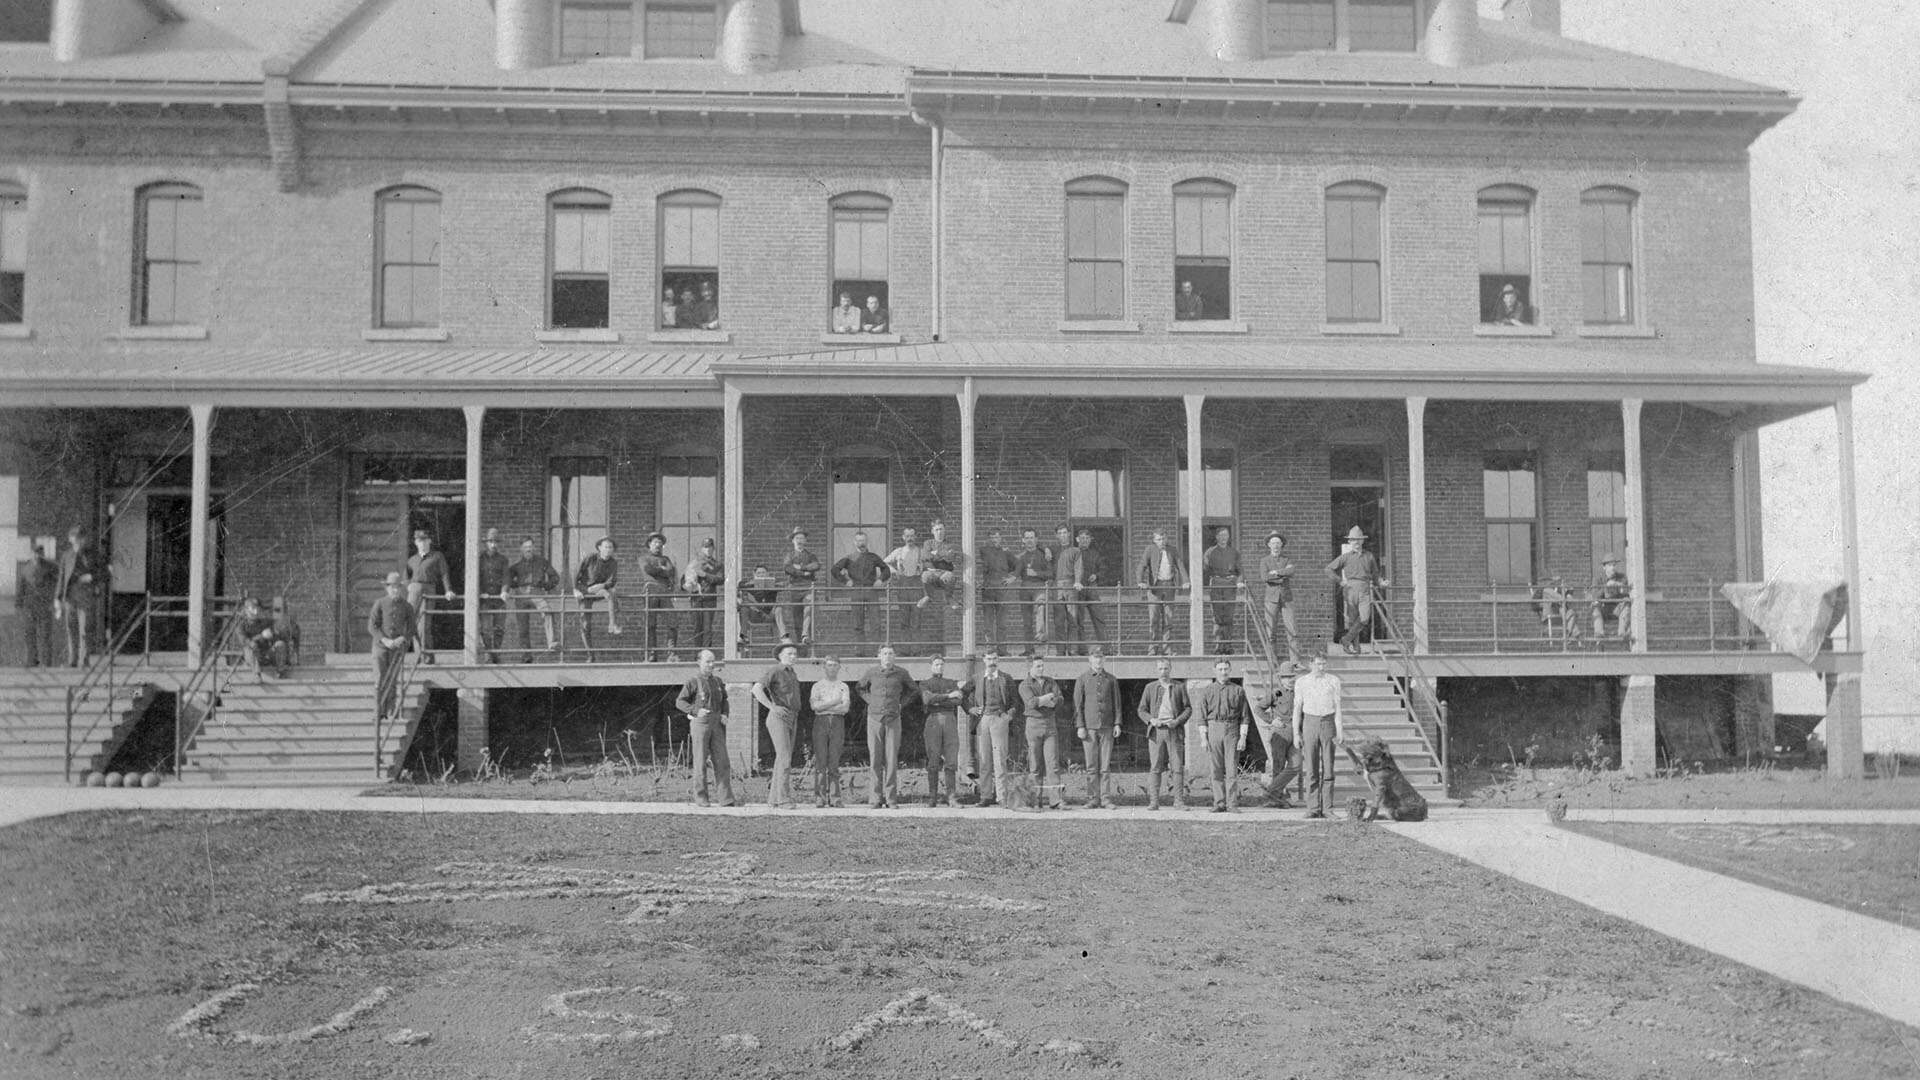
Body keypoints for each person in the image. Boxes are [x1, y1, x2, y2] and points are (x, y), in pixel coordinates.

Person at [856, 645, 916, 809]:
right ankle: (875, 798)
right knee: (875, 758)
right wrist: (871, 701)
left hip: (893, 719)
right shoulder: (871, 672)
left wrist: (901, 704)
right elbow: (860, 688)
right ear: (879, 656)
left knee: (891, 758)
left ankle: (891, 799)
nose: (887, 656)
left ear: (894, 656)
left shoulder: (902, 673)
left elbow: (913, 690)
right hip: (874, 719)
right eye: (885, 653)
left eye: (890, 653)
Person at [676, 649, 737, 807]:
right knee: (700, 761)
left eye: (713, 661)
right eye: (707, 661)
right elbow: (680, 702)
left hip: (717, 724)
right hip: (701, 723)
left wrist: (725, 713)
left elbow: (725, 700)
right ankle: (701, 798)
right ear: (699, 662)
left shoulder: (718, 681)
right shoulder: (693, 681)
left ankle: (726, 799)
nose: (711, 665)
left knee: (722, 761)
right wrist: (695, 711)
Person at [1291, 652, 1346, 819]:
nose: (1321, 667)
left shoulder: (1333, 681)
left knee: (1328, 767)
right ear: (1311, 664)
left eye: (1324, 664)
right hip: (1310, 723)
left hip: (1328, 723)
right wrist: (1296, 733)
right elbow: (1297, 709)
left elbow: (1338, 707)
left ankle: (1327, 808)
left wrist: (1340, 730)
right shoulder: (1302, 682)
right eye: (1318, 664)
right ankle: (1313, 808)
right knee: (1311, 768)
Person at [1194, 658, 1251, 812]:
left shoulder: (1238, 690)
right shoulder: (1207, 691)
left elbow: (1245, 717)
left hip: (1232, 729)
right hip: (1214, 728)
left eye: (1226, 669)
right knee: (1216, 769)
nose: (1223, 672)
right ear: (1215, 671)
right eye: (1220, 669)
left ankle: (1232, 804)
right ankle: (1219, 803)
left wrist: (1243, 737)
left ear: (1230, 670)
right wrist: (1204, 738)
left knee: (1232, 768)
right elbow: (1201, 717)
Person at [965, 650, 1021, 807]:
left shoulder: (1006, 678)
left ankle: (1001, 797)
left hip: (999, 720)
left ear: (998, 660)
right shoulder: (977, 678)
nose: (992, 662)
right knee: (984, 760)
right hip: (983, 720)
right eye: (989, 659)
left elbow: (1015, 701)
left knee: (1000, 760)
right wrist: (970, 709)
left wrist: (1009, 715)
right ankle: (985, 796)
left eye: (995, 658)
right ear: (984, 660)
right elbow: (962, 694)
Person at [752, 643, 803, 809]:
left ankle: (774, 799)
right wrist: (772, 707)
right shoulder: (775, 670)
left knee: (782, 758)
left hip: (792, 717)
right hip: (779, 718)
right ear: (780, 656)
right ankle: (784, 800)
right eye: (789, 654)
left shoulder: (792, 673)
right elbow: (756, 689)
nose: (793, 657)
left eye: (795, 654)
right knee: (785, 758)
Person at [1137, 656, 1191, 810]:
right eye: (1160, 668)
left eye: (1166, 668)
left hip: (1174, 731)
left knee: (1177, 767)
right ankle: (1154, 802)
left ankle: (1178, 801)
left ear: (1170, 669)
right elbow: (1141, 710)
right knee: (1155, 766)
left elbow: (1188, 708)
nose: (1163, 671)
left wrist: (1177, 721)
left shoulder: (1179, 687)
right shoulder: (1150, 687)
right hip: (1156, 732)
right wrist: (1151, 720)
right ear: (1156, 670)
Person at [1073, 648, 1123, 809]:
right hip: (1089, 728)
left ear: (1105, 660)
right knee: (1091, 766)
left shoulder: (1111, 679)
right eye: (1095, 658)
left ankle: (1106, 799)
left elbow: (1117, 704)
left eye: (1101, 658)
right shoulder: (1082, 679)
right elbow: (1078, 706)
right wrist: (1080, 725)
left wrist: (1117, 723)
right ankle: (1092, 799)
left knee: (1105, 766)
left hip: (1107, 727)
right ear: (1090, 660)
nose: (1098, 661)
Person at [831, 530, 891, 654]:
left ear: (867, 541)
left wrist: (880, 580)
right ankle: (860, 651)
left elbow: (886, 570)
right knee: (857, 622)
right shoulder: (849, 558)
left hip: (871, 590)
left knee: (875, 622)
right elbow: (835, 569)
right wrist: (846, 581)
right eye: (858, 541)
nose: (861, 543)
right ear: (854, 542)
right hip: (856, 591)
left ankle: (876, 651)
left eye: (863, 540)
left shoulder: (873, 557)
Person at [1253, 660, 1304, 805]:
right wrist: (1271, 720)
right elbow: (1258, 708)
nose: (1290, 680)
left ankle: (1271, 792)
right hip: (1280, 733)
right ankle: (1277, 798)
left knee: (1296, 764)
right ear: (1281, 679)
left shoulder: (1300, 692)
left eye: (1292, 676)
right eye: (1286, 677)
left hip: (1295, 733)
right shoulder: (1276, 693)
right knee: (1278, 766)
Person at [1325, 525, 1382, 654]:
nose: (1356, 542)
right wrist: (1340, 580)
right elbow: (1328, 569)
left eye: (1358, 539)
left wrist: (1381, 582)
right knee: (1352, 619)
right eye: (1353, 540)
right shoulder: (1345, 557)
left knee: (1364, 618)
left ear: (1362, 541)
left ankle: (1346, 639)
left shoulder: (1369, 556)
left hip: (1364, 588)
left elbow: (1375, 574)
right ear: (1349, 542)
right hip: (1350, 589)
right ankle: (1356, 647)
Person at [1019, 656, 1066, 810]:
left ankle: (1056, 800)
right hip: (1033, 725)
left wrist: (1047, 701)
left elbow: (1060, 699)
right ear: (1030, 667)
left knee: (1053, 764)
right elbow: (1032, 703)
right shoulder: (1024, 685)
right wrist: (1048, 697)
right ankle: (1035, 801)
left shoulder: (1050, 682)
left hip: (1050, 725)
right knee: (1035, 765)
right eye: (1038, 666)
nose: (1041, 669)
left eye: (1042, 666)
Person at [368, 571, 416, 721]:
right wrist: (384, 640)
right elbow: (372, 626)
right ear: (387, 588)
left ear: (401, 588)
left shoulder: (407, 606)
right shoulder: (380, 603)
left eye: (397, 587)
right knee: (380, 679)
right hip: (380, 647)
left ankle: (390, 710)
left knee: (393, 679)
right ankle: (378, 712)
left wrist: (403, 638)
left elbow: (412, 628)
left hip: (397, 647)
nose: (395, 590)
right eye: (392, 587)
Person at [919, 655, 966, 807]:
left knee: (951, 760)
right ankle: (932, 797)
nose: (939, 667)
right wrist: (948, 696)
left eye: (941, 664)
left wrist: (938, 700)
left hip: (950, 720)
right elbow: (927, 699)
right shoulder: (925, 683)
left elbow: (958, 700)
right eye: (936, 664)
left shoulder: (951, 682)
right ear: (931, 666)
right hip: (933, 721)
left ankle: (951, 797)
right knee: (933, 759)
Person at [59, 525, 107, 668]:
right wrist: (57, 598)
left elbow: (105, 573)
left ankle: (84, 660)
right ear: (71, 539)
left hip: (86, 596)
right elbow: (61, 577)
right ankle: (72, 660)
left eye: (81, 539)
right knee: (71, 628)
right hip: (70, 597)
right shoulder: (66, 555)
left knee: (84, 629)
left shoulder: (93, 555)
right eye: (76, 539)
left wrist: (91, 577)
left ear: (84, 539)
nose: (79, 542)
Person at [406, 529, 455, 663]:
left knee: (424, 624)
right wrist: (409, 586)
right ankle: (418, 655)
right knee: (411, 622)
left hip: (428, 590)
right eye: (419, 541)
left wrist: (448, 590)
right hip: (414, 591)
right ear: (416, 543)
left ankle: (427, 658)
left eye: (424, 540)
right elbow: (407, 576)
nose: (422, 543)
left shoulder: (437, 556)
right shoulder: (412, 560)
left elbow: (444, 573)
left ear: (429, 541)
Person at [1135, 528, 1187, 656]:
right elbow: (1142, 565)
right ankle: (1152, 649)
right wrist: (1140, 581)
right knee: (1154, 618)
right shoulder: (1150, 550)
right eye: (1159, 539)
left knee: (1168, 618)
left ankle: (1167, 649)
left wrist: (1186, 581)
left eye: (1163, 539)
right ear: (1154, 540)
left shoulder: (1172, 550)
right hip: (1155, 588)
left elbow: (1180, 565)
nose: (1162, 541)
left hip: (1169, 586)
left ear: (1166, 539)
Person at [508, 538, 561, 662]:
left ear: (534, 548)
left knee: (547, 612)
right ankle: (526, 655)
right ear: (521, 549)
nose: (528, 549)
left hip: (537, 592)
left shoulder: (542, 562)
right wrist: (517, 586)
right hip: (521, 595)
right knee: (522, 626)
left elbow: (555, 577)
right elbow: (507, 579)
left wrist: (545, 586)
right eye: (526, 547)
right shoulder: (516, 565)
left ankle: (552, 642)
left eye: (530, 546)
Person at [810, 656, 851, 807]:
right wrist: (835, 702)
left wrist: (825, 705)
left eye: (835, 665)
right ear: (824, 667)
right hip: (821, 722)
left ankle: (835, 797)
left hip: (838, 722)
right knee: (821, 760)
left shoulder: (843, 686)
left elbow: (845, 708)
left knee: (834, 760)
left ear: (839, 667)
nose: (832, 668)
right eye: (829, 665)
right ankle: (820, 797)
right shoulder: (817, 686)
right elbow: (815, 707)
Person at [573, 536, 622, 657]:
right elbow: (576, 572)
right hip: (585, 591)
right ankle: (590, 654)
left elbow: (612, 581)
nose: (608, 550)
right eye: (606, 547)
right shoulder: (591, 558)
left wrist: (601, 586)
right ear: (599, 548)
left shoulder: (613, 563)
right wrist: (576, 589)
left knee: (612, 592)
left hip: (599, 590)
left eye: (610, 547)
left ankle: (612, 624)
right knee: (585, 624)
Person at [1259, 532, 1301, 663]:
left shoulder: (1287, 560)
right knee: (1271, 631)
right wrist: (1282, 576)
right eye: (1273, 543)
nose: (1276, 546)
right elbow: (1265, 577)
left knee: (1292, 630)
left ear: (1282, 545)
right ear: (1269, 545)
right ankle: (1272, 661)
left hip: (1286, 598)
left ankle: (1295, 661)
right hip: (1271, 599)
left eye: (1278, 543)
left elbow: (1291, 572)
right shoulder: (1264, 561)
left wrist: (1276, 572)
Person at [777, 527, 821, 650]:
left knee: (808, 609)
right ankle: (801, 648)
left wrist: (800, 567)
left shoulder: (811, 555)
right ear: (793, 540)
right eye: (797, 538)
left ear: (805, 540)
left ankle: (805, 635)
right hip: (794, 589)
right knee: (797, 619)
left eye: (802, 538)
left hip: (808, 587)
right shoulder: (789, 556)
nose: (799, 541)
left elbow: (816, 566)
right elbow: (787, 568)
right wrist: (803, 573)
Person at [637, 532, 678, 661]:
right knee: (650, 624)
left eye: (660, 543)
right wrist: (662, 570)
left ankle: (671, 654)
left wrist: (660, 570)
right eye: (655, 542)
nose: (658, 545)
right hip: (651, 591)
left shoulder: (666, 559)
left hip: (664, 592)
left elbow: (671, 571)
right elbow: (648, 570)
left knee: (672, 621)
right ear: (649, 544)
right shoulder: (643, 558)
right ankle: (651, 654)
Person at [16, 543, 58, 667]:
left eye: (39, 553)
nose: (37, 556)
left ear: (43, 554)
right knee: (30, 634)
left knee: (45, 634)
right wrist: (18, 604)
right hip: (29, 606)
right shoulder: (25, 568)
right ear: (31, 554)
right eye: (34, 553)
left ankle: (47, 662)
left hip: (45, 605)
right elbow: (21, 587)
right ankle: (32, 660)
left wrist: (55, 599)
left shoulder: (51, 567)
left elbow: (57, 583)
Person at [976, 530, 1017, 653]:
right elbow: (976, 563)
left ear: (1001, 538)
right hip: (988, 589)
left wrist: (1012, 577)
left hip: (1002, 590)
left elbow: (1018, 565)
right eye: (992, 537)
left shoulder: (1006, 553)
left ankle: (1002, 650)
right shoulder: (983, 551)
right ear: (988, 539)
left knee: (1002, 622)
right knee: (988, 621)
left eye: (997, 537)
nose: (994, 540)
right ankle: (990, 648)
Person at [1202, 526, 1241, 651]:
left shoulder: (1234, 552)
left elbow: (1240, 571)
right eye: (1221, 535)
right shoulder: (1210, 552)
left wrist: (1239, 582)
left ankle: (1228, 645)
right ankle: (1218, 645)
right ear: (1217, 537)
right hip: (1216, 584)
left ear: (1228, 537)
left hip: (1230, 585)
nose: (1224, 538)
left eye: (1226, 535)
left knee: (1229, 616)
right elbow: (1205, 569)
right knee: (1217, 616)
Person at [1013, 528, 1051, 653]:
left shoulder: (1043, 556)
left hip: (1039, 586)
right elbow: (1015, 572)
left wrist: (1036, 573)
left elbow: (1050, 574)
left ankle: (1040, 635)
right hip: (1025, 588)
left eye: (1031, 537)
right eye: (1027, 538)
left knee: (1041, 606)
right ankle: (1029, 649)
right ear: (1023, 540)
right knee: (1027, 620)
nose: (1029, 540)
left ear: (1036, 539)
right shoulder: (1020, 557)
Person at [884, 526, 924, 649]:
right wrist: (894, 571)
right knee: (904, 619)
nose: (909, 538)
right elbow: (884, 563)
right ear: (903, 537)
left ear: (915, 537)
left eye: (912, 536)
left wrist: (923, 570)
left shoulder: (921, 551)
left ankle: (916, 650)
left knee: (916, 620)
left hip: (917, 587)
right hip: (903, 587)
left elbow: (929, 565)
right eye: (907, 536)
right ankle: (905, 649)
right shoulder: (898, 551)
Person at [476, 527, 511, 663]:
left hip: (499, 599)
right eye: (491, 542)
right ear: (486, 543)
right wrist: (480, 593)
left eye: (495, 542)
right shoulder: (479, 558)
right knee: (485, 629)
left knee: (499, 628)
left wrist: (504, 591)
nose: (493, 545)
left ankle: (495, 653)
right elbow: (475, 577)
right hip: (485, 599)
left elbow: (506, 577)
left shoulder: (503, 560)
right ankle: (489, 652)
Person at [1071, 528, 1109, 652]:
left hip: (1091, 589)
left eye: (1087, 538)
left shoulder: (1095, 554)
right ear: (1077, 539)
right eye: (1082, 538)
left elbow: (1103, 569)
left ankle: (1106, 649)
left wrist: (1096, 575)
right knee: (1079, 620)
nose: (1085, 541)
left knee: (1099, 618)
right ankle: (1082, 649)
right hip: (1078, 589)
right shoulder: (1073, 553)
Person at [1050, 525, 1085, 654]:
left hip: (1071, 586)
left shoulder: (1075, 551)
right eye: (1060, 533)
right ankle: (1060, 651)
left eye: (1065, 532)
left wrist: (1077, 581)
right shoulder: (1053, 550)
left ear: (1069, 534)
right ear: (1056, 536)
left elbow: (1078, 567)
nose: (1063, 535)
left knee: (1073, 619)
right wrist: (1046, 550)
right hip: (1057, 586)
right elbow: (1038, 548)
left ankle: (1073, 650)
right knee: (1059, 620)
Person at [686, 538, 724, 651]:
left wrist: (704, 575)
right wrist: (688, 583)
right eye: (705, 547)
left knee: (707, 628)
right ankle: (697, 654)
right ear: (702, 548)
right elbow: (685, 577)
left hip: (709, 598)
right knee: (697, 627)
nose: (708, 549)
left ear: (713, 548)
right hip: (696, 598)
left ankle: (706, 653)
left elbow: (720, 579)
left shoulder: (717, 564)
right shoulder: (695, 562)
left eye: (710, 547)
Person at [919, 520, 963, 615]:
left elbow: (951, 558)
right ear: (932, 531)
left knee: (950, 576)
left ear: (945, 530)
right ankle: (928, 596)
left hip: (945, 573)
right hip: (931, 573)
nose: (939, 532)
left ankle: (949, 598)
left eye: (941, 529)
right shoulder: (928, 543)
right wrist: (943, 554)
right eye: (937, 530)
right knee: (925, 575)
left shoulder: (950, 545)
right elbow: (925, 556)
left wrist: (935, 554)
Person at [738, 564, 781, 654]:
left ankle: (780, 642)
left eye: (763, 573)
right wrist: (753, 583)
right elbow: (741, 585)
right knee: (744, 608)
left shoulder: (772, 584)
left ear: (767, 574)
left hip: (768, 615)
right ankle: (743, 637)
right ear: (754, 574)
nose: (761, 575)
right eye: (759, 573)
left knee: (779, 609)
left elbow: (782, 586)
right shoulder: (749, 584)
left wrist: (773, 585)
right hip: (755, 615)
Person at [233, 596, 278, 679]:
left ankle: (280, 671)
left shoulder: (263, 622)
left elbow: (274, 631)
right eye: (253, 608)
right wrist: (261, 636)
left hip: (264, 653)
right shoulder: (241, 625)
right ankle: (257, 674)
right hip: (251, 654)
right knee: (252, 646)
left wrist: (271, 633)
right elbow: (244, 640)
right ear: (246, 610)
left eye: (258, 608)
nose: (256, 611)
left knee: (279, 645)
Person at [1593, 555, 1632, 642]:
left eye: (1614, 565)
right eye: (1610, 565)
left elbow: (1626, 593)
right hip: (1604, 609)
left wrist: (1618, 585)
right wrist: (1606, 586)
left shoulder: (1622, 577)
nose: (1613, 568)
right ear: (1604, 567)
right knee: (1595, 606)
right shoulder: (1598, 579)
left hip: (1617, 609)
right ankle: (1599, 635)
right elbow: (1595, 596)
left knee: (1626, 603)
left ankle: (1622, 634)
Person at [267, 596, 301, 676]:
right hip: (269, 656)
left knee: (280, 645)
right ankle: (280, 670)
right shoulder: (266, 623)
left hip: (284, 655)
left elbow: (296, 644)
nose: (277, 612)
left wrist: (295, 659)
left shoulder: (292, 625)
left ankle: (281, 671)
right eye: (276, 609)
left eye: (279, 609)